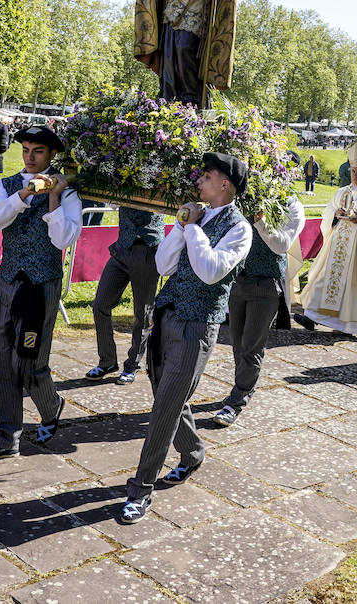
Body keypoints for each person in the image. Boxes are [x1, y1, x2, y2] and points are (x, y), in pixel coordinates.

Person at [119, 152, 251, 524]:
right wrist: (181, 226)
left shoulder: (240, 228)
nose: (199, 181)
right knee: (167, 394)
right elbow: (163, 265)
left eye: (206, 176)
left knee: (164, 409)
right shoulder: (194, 215)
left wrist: (192, 227)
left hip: (198, 326)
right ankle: (192, 451)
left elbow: (211, 272)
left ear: (224, 183)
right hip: (168, 314)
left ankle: (141, 489)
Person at [0, 126, 83, 462]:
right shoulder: (6, 185)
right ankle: (7, 436)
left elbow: (63, 240)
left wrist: (52, 197)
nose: (30, 158)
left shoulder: (68, 192)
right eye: (27, 150)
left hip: (42, 283)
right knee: (2, 358)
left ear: (51, 156)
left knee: (30, 362)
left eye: (39, 152)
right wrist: (22, 197)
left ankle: (51, 406)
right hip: (8, 280)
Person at [213, 193, 305, 427]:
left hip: (266, 284)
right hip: (239, 280)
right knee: (237, 341)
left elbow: (282, 245)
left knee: (252, 346)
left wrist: (260, 221)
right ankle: (239, 388)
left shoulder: (292, 205)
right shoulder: (246, 198)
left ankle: (237, 401)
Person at [294, 142, 357, 336]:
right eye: (353, 171)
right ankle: (312, 317)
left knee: (352, 288)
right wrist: (334, 216)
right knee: (322, 278)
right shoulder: (342, 192)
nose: (355, 176)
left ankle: (351, 326)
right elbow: (327, 214)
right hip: (336, 247)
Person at [86, 208, 165, 385]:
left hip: (148, 249)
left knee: (142, 314)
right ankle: (107, 361)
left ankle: (132, 365)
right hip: (122, 248)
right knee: (100, 304)